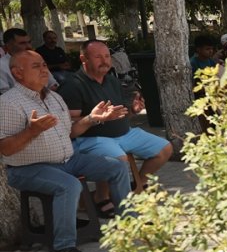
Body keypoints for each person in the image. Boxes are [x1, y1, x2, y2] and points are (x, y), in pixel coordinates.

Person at [0, 50, 131, 252]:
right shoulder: (8, 102)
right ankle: (64, 247)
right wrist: (31, 131)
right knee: (69, 185)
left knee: (116, 167)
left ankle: (130, 222)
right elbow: (5, 148)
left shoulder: (54, 97)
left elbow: (69, 132)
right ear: (17, 73)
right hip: (27, 169)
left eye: (44, 64)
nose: (44, 69)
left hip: (68, 160)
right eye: (36, 66)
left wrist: (92, 119)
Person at [59, 39, 173, 204]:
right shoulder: (73, 85)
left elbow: (119, 114)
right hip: (92, 138)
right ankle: (105, 198)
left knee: (164, 148)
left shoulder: (111, 80)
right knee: (118, 160)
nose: (105, 61)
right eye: (98, 57)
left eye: (107, 56)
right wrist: (95, 119)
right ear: (84, 59)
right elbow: (68, 126)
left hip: (124, 133)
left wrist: (132, 110)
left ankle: (136, 187)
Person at [2, 28, 57, 94]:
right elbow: (4, 94)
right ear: (8, 46)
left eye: (29, 42)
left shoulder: (37, 59)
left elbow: (53, 84)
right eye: (22, 43)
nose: (29, 46)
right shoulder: (2, 66)